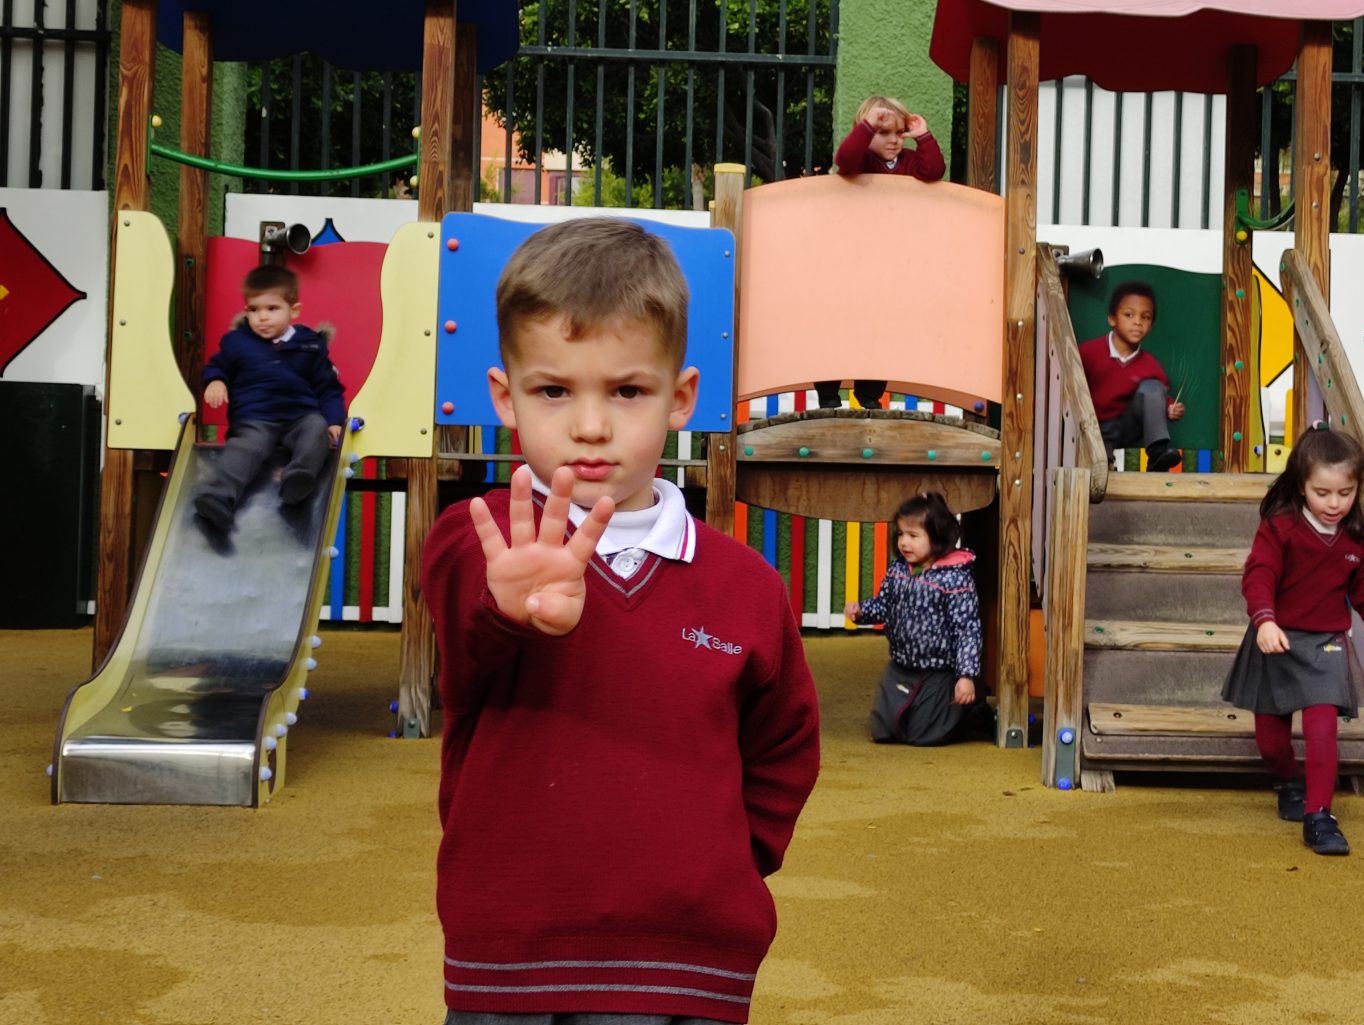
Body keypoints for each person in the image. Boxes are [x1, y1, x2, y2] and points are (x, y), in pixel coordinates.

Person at [422, 218, 820, 1025]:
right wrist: (513, 610)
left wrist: (723, 864)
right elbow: (467, 638)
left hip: (683, 966)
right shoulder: (478, 542)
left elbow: (784, 744)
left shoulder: (744, 585)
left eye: (627, 390)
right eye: (554, 389)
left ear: (681, 399)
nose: (592, 425)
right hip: (510, 958)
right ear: (506, 396)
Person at [1221, 425, 1364, 857]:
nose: (1334, 503)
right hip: (1276, 639)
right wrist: (1265, 621)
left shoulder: (1357, 542)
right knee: (1270, 742)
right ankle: (1289, 780)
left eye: (1344, 492)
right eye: (1322, 492)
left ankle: (1320, 815)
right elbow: (1259, 575)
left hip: (1326, 643)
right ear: (1302, 487)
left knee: (1323, 730)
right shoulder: (1281, 528)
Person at [191, 264, 344, 534]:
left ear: (293, 310)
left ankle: (298, 476)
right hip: (256, 418)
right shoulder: (237, 342)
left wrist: (334, 420)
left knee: (316, 428)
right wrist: (215, 381)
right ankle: (217, 497)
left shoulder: (309, 345)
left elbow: (327, 387)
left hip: (299, 417)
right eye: (254, 309)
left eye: (272, 309)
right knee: (245, 448)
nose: (262, 317)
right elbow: (218, 366)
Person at [819, 94, 947, 411]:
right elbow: (845, 159)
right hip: (852, 259)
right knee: (838, 324)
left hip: (892, 260)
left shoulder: (908, 163)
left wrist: (923, 136)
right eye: (882, 133)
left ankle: (870, 393)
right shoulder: (862, 161)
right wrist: (865, 127)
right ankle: (828, 392)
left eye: (898, 133)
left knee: (882, 326)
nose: (892, 141)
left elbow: (934, 170)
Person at [844, 491, 992, 746]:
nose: (904, 542)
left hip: (939, 670)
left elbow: (967, 629)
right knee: (884, 729)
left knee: (926, 735)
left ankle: (972, 710)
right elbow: (884, 606)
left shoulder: (954, 578)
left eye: (913, 536)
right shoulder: (899, 570)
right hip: (901, 664)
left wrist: (966, 676)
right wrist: (862, 612)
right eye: (901, 534)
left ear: (937, 537)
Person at [1077, 280, 1185, 471]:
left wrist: (1170, 408)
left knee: (1152, 387)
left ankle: (1157, 453)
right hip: (1092, 427)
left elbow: (1157, 397)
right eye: (1129, 315)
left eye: (1146, 317)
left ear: (1151, 325)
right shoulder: (1088, 353)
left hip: (1126, 426)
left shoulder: (1151, 365)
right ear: (1112, 319)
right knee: (1100, 470)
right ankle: (1105, 461)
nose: (1138, 322)